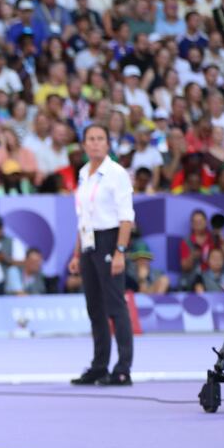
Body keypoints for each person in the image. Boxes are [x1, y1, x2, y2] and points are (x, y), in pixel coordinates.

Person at [69, 124, 135, 386]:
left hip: (110, 239)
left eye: (100, 139)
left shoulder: (116, 173)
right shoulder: (84, 173)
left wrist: (120, 251)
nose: (95, 143)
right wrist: (76, 254)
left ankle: (122, 368)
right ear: (84, 145)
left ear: (108, 144)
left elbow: (126, 217)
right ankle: (99, 365)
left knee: (115, 306)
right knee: (94, 307)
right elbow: (82, 218)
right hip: (88, 241)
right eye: (91, 139)